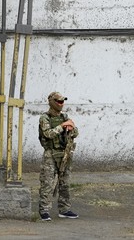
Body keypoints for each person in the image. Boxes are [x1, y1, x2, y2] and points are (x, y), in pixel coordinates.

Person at [38, 91, 79, 221]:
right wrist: (62, 126)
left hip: (64, 153)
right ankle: (44, 210)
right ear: (52, 102)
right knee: (48, 183)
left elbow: (75, 133)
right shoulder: (45, 118)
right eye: (58, 101)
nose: (61, 104)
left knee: (65, 183)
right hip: (50, 153)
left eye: (62, 101)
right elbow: (48, 134)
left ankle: (64, 209)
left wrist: (71, 127)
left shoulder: (64, 116)